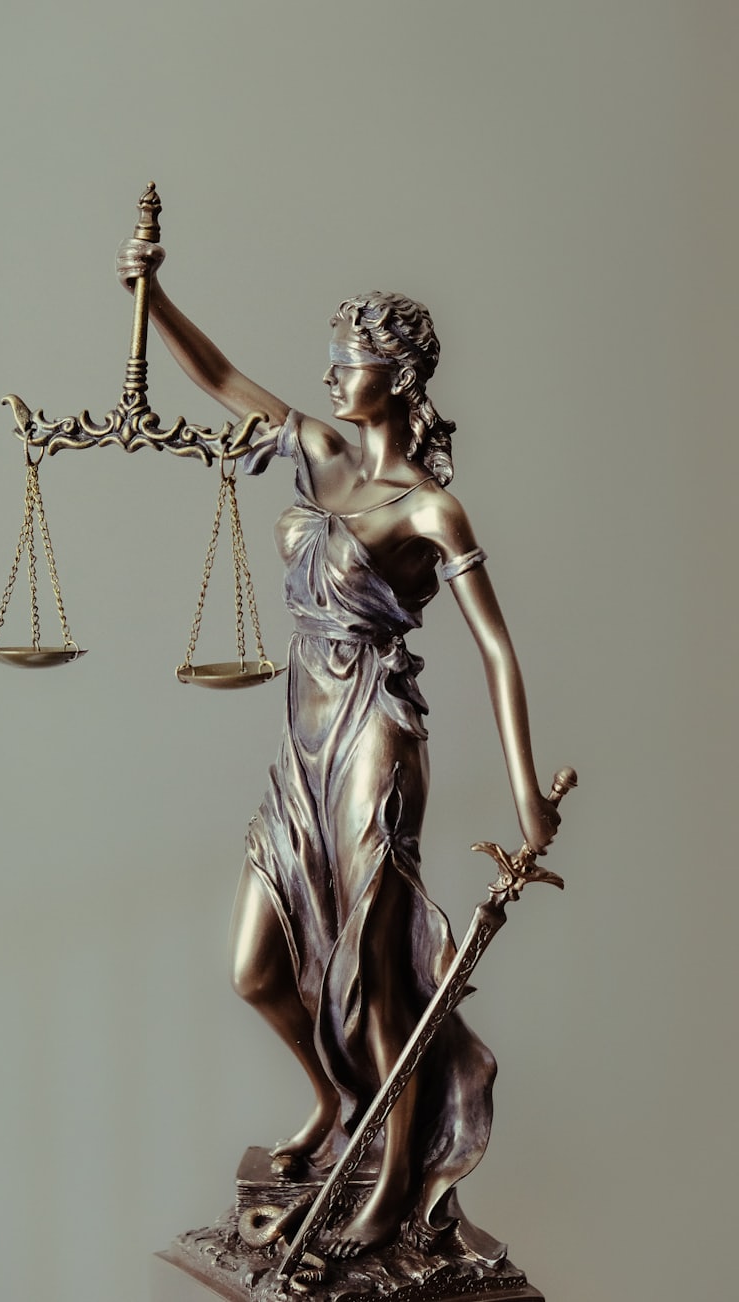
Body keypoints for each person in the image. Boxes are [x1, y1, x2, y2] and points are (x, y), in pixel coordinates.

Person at [116, 240, 560, 1260]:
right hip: (303, 741)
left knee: (374, 977)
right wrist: (153, 294)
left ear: (395, 377)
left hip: (374, 734)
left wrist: (527, 793)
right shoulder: (316, 450)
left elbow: (496, 647)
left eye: (347, 360)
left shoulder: (430, 508)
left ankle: (393, 1180)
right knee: (256, 968)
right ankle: (336, 1101)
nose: (328, 376)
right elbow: (220, 376)